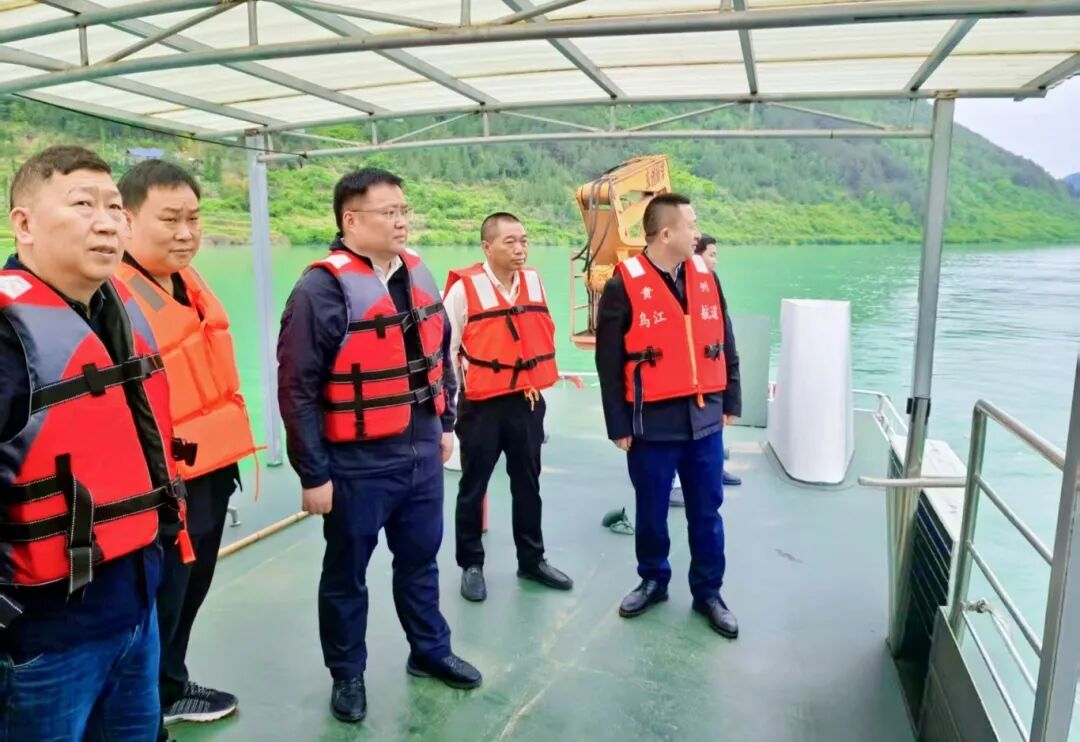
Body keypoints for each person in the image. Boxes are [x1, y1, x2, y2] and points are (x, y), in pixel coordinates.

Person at [277, 167, 481, 724]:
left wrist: (446, 424)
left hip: (421, 451)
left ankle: (429, 650)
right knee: (347, 574)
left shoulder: (417, 272)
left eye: (403, 210)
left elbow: (440, 357)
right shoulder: (319, 290)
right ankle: (347, 673)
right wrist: (313, 474)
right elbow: (297, 390)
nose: (401, 221)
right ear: (351, 220)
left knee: (420, 560)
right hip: (357, 463)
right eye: (388, 212)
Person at [0, 145, 187, 739]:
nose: (107, 223)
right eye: (83, 205)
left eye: (114, 207)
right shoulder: (7, 336)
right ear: (24, 223)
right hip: (44, 635)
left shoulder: (117, 314)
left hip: (135, 604)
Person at [116, 160, 256, 735]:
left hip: (211, 468)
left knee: (191, 591)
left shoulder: (189, 281)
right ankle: (144, 710)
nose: (185, 233)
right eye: (169, 219)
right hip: (160, 484)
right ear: (126, 220)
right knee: (159, 599)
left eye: (193, 218)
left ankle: (170, 684)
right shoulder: (110, 296)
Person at [595, 192, 741, 638]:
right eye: (691, 225)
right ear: (665, 233)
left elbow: (724, 337)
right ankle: (654, 579)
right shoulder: (623, 285)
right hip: (651, 423)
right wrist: (618, 424)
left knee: (707, 511)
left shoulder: (706, 277)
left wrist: (732, 399)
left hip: (704, 419)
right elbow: (608, 361)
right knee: (652, 510)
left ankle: (709, 592)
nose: (697, 232)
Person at [444, 212, 573, 602]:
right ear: (487, 247)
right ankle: (471, 564)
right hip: (481, 407)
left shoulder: (533, 281)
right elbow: (446, 351)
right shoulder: (463, 291)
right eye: (510, 241)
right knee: (474, 486)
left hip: (527, 401)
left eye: (524, 240)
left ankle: (531, 560)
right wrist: (451, 407)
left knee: (528, 484)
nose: (520, 249)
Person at [671, 235, 740, 507]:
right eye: (711, 254)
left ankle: (715, 469)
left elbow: (726, 336)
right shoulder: (667, 284)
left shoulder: (710, 283)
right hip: (676, 391)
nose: (715, 261)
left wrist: (731, 396)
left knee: (709, 436)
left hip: (709, 388)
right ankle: (675, 483)